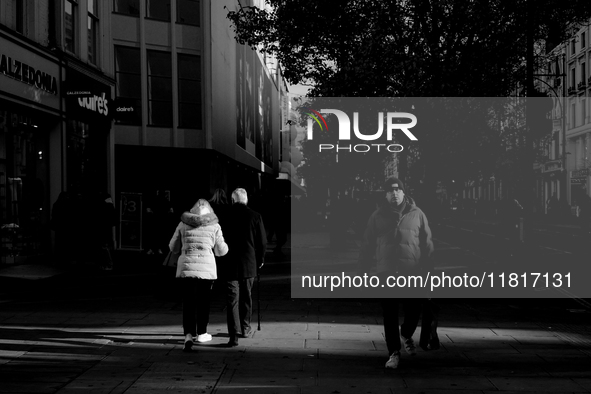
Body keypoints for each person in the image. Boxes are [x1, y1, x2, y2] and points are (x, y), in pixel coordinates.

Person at [359, 177, 434, 369]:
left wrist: (430, 270)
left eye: (397, 190)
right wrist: (363, 270)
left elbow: (427, 244)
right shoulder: (377, 216)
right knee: (389, 314)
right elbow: (367, 244)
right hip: (387, 272)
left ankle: (406, 333)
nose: (394, 193)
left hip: (412, 272)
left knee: (414, 310)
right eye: (390, 190)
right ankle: (393, 352)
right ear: (385, 195)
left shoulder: (418, 214)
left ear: (403, 193)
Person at [170, 199, 228, 352]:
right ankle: (202, 332)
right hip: (206, 270)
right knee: (204, 301)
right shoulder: (214, 226)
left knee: (188, 301)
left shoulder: (183, 224)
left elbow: (173, 247)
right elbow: (221, 251)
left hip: (187, 268)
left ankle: (188, 334)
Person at [219, 188, 266, 347]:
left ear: (233, 200)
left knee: (232, 299)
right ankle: (245, 328)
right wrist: (260, 260)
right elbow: (262, 243)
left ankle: (233, 336)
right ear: (246, 200)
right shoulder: (255, 216)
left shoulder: (224, 215)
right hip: (249, 264)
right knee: (246, 296)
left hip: (230, 263)